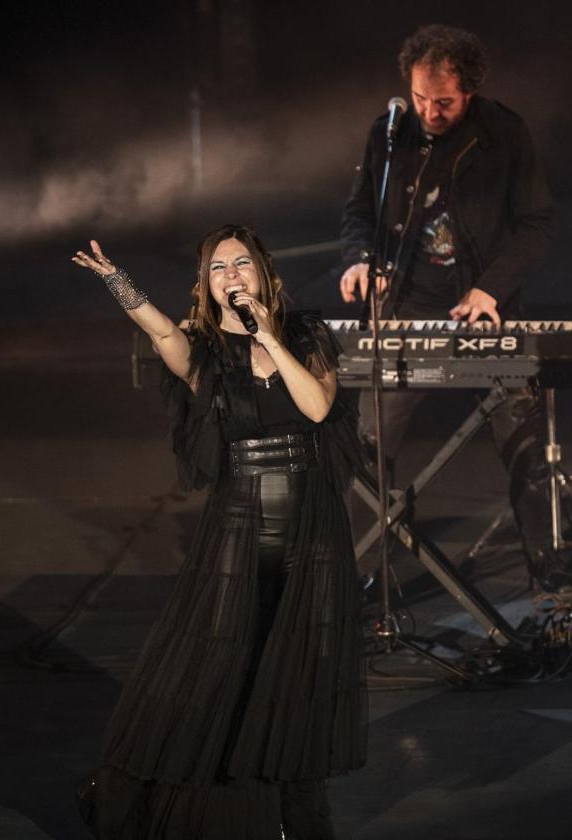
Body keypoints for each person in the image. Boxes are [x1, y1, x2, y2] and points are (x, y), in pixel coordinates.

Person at [72, 225, 367, 839]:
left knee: (295, 668)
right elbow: (158, 330)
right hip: (237, 523)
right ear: (204, 285)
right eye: (216, 268)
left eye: (240, 264)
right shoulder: (200, 351)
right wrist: (117, 282)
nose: (231, 275)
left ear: (263, 273)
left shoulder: (307, 335)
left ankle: (294, 813)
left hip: (313, 529)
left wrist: (269, 336)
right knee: (216, 660)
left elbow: (316, 407)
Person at [339, 23, 572, 593]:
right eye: (421, 98)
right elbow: (358, 215)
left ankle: (550, 569)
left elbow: (538, 225)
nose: (430, 111)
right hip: (406, 309)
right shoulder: (389, 134)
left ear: (467, 90)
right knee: (367, 451)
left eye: (443, 102)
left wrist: (492, 288)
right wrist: (359, 258)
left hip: (485, 309)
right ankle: (362, 576)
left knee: (522, 443)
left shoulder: (504, 134)